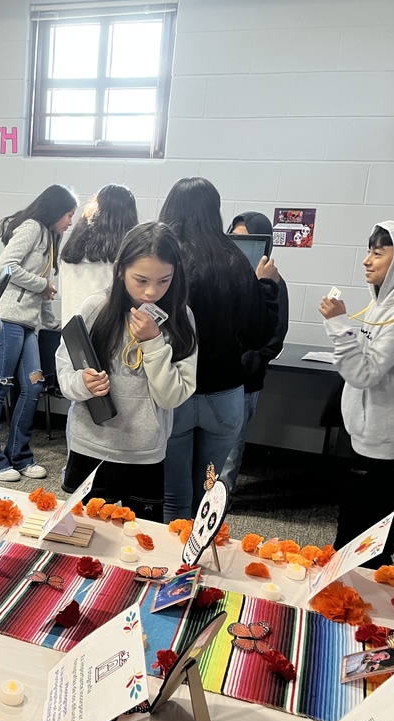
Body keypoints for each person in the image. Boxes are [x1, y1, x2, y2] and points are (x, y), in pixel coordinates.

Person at [56, 222, 198, 519]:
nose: (151, 292)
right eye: (141, 280)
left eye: (164, 281)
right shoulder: (96, 308)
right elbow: (65, 371)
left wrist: (154, 342)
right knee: (84, 532)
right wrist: (82, 384)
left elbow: (172, 396)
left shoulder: (181, 319)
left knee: (143, 538)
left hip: (145, 452)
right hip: (91, 446)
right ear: (120, 269)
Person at [159, 178, 280, 522]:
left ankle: (171, 571)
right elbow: (259, 334)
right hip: (225, 398)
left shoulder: (164, 259)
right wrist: (267, 286)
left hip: (175, 393)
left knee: (174, 498)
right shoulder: (237, 260)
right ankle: (201, 567)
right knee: (208, 494)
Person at [319, 220, 394, 568]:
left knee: (366, 517)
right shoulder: (385, 304)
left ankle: (362, 578)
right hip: (370, 426)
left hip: (381, 431)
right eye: (369, 251)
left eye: (378, 253)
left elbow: (364, 373)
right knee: (363, 508)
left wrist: (338, 325)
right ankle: (354, 568)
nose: (367, 260)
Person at [0, 184, 77, 482]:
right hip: (8, 320)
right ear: (56, 210)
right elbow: (5, 267)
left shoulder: (51, 238)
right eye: (68, 214)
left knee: (34, 385)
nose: (70, 222)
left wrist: (52, 323)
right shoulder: (32, 228)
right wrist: (41, 284)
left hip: (29, 326)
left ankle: (20, 456)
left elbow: (44, 291)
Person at [220, 211, 290, 493]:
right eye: (234, 240)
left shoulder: (274, 283)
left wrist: (242, 362)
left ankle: (219, 504)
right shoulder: (220, 277)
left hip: (244, 382)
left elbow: (273, 340)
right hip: (214, 378)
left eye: (247, 241)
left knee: (230, 448)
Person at [59, 183, 139, 328]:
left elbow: (62, 294)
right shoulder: (126, 254)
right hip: (107, 337)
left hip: (72, 337)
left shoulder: (71, 249)